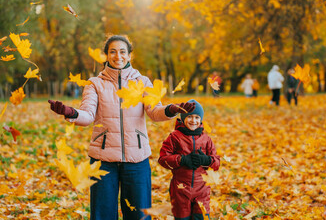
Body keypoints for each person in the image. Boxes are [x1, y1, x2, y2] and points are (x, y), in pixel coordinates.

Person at [48, 35, 195, 220]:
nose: (118, 56)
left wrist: (171, 109)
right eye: (113, 51)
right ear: (106, 56)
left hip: (137, 158)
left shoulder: (142, 82)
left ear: (130, 55)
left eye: (123, 51)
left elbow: (155, 112)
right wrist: (71, 112)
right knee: (103, 215)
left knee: (139, 215)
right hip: (103, 159)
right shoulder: (95, 84)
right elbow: (87, 115)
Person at [158, 99, 220, 220]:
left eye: (197, 117)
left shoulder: (206, 139)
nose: (194, 121)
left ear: (201, 119)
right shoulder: (174, 137)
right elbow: (163, 159)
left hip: (202, 189)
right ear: (183, 117)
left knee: (200, 217)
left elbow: (216, 163)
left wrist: (206, 160)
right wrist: (182, 160)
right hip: (180, 189)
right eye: (190, 117)